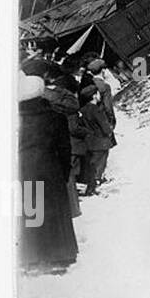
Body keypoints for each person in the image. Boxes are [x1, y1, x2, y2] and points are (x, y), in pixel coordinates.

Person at [18, 72, 78, 272]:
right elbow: (64, 147)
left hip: (24, 168)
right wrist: (64, 170)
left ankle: (31, 258)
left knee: (31, 211)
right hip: (49, 166)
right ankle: (59, 255)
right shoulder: (55, 117)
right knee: (55, 211)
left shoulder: (13, 120)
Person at [76, 82, 116, 197]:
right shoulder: (97, 110)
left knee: (92, 164)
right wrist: (110, 129)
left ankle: (91, 184)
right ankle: (95, 186)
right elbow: (105, 126)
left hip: (89, 142)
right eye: (98, 93)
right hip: (101, 142)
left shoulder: (83, 110)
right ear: (94, 96)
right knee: (100, 165)